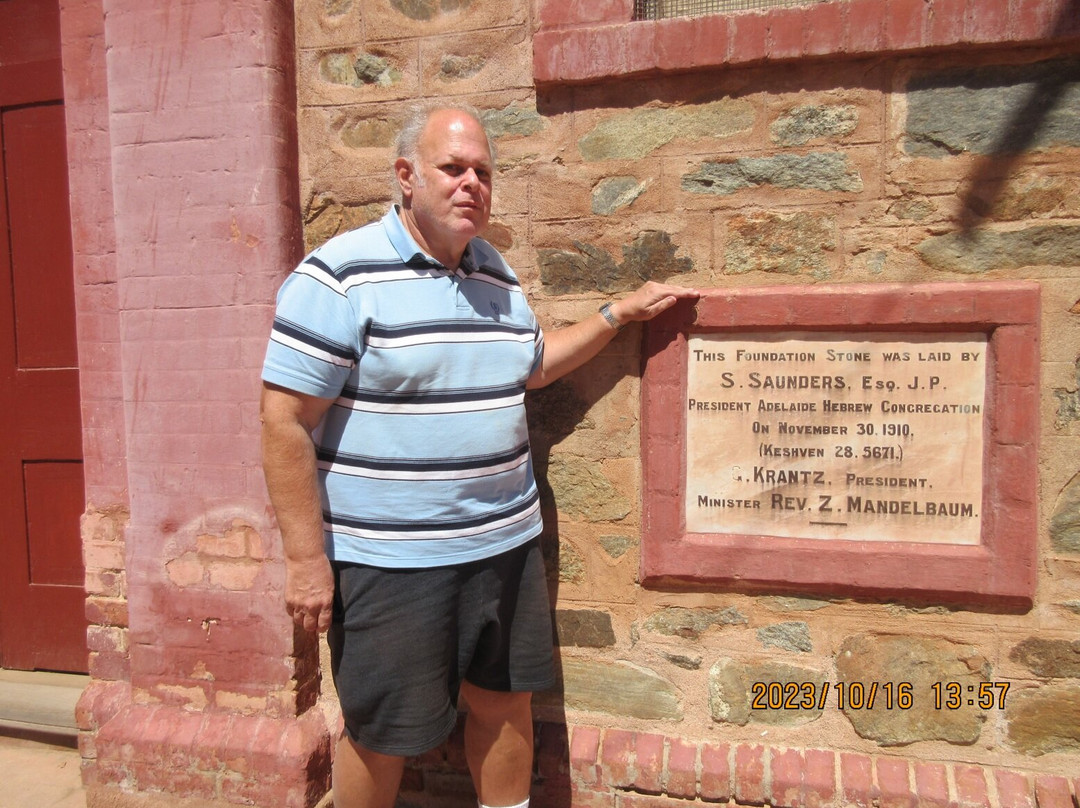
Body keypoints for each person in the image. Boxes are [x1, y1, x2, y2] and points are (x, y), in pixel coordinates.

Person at [260, 102, 698, 808]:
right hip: (391, 562)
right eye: (453, 168)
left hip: (502, 548)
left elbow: (530, 367)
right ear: (406, 176)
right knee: (380, 731)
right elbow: (283, 421)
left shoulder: (494, 274)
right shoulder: (337, 276)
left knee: (505, 705)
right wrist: (306, 560)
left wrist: (618, 314)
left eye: (484, 172)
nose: (472, 184)